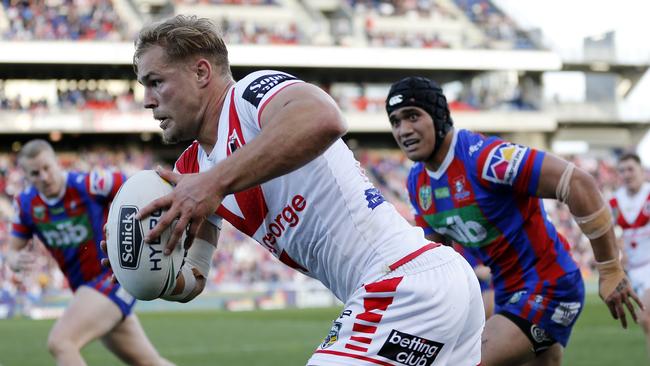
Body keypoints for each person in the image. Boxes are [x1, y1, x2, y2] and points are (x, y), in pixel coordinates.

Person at [119, 14, 485, 365]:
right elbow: (194, 276)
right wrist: (149, 273)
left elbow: (324, 118)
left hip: (402, 281)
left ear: (201, 72)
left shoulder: (249, 95)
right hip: (420, 286)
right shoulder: (191, 170)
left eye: (156, 82)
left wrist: (213, 183)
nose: (148, 100)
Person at [385, 76, 642, 366]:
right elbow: (435, 260)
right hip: (506, 291)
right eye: (395, 121)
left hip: (550, 287)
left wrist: (609, 269)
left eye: (413, 116)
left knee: (461, 360)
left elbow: (578, 183)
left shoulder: (485, 158)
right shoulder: (417, 183)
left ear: (439, 115)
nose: (403, 130)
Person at [8, 139, 172, 366]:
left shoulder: (88, 184)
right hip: (88, 292)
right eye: (35, 173)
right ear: (26, 176)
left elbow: (138, 183)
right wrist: (15, 261)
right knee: (149, 363)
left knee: (61, 342)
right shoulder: (25, 205)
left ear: (57, 163)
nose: (44, 177)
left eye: (47, 168)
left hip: (110, 278)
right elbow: (12, 251)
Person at [610, 152, 650, 360]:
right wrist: (620, 250)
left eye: (630, 169)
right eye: (622, 170)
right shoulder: (616, 201)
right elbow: (612, 231)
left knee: (646, 318)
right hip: (633, 270)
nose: (627, 174)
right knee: (646, 325)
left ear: (641, 171)